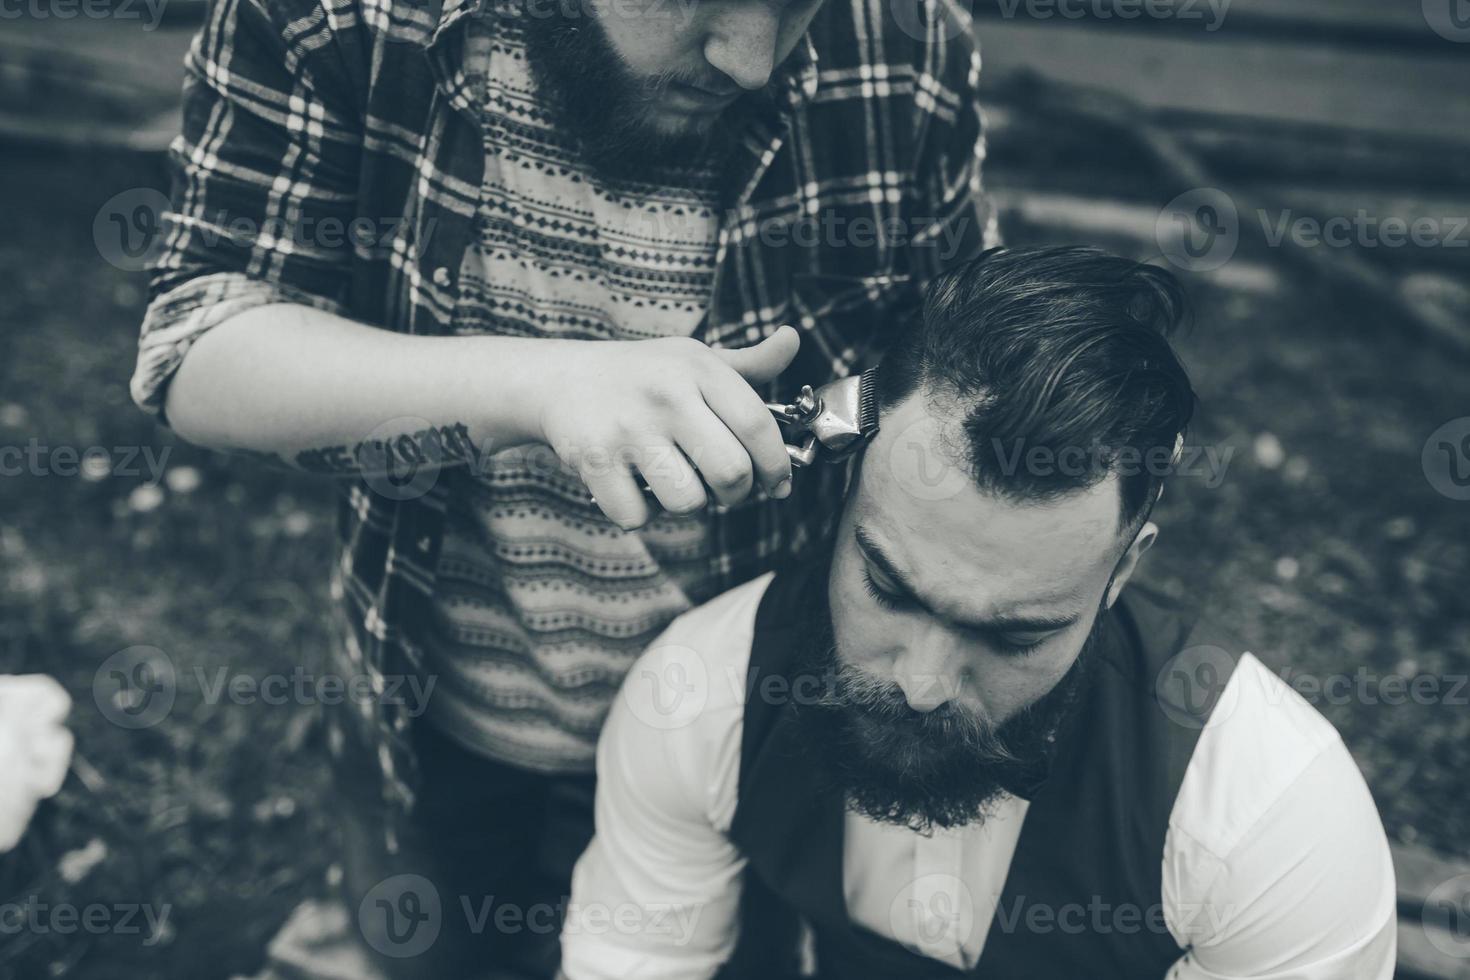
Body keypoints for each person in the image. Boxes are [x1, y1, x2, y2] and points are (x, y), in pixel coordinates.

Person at [128, 0, 997, 974]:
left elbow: (943, 374)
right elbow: (194, 347)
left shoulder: (913, 38)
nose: (752, 61)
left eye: (797, 10)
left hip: (747, 734)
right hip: (430, 713)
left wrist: (811, 425)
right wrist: (538, 383)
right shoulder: (332, 19)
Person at [561, 246, 1397, 980]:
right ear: (845, 491)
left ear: (1122, 570)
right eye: (890, 588)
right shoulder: (699, 697)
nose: (922, 683)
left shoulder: (1269, 824)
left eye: (1014, 634)